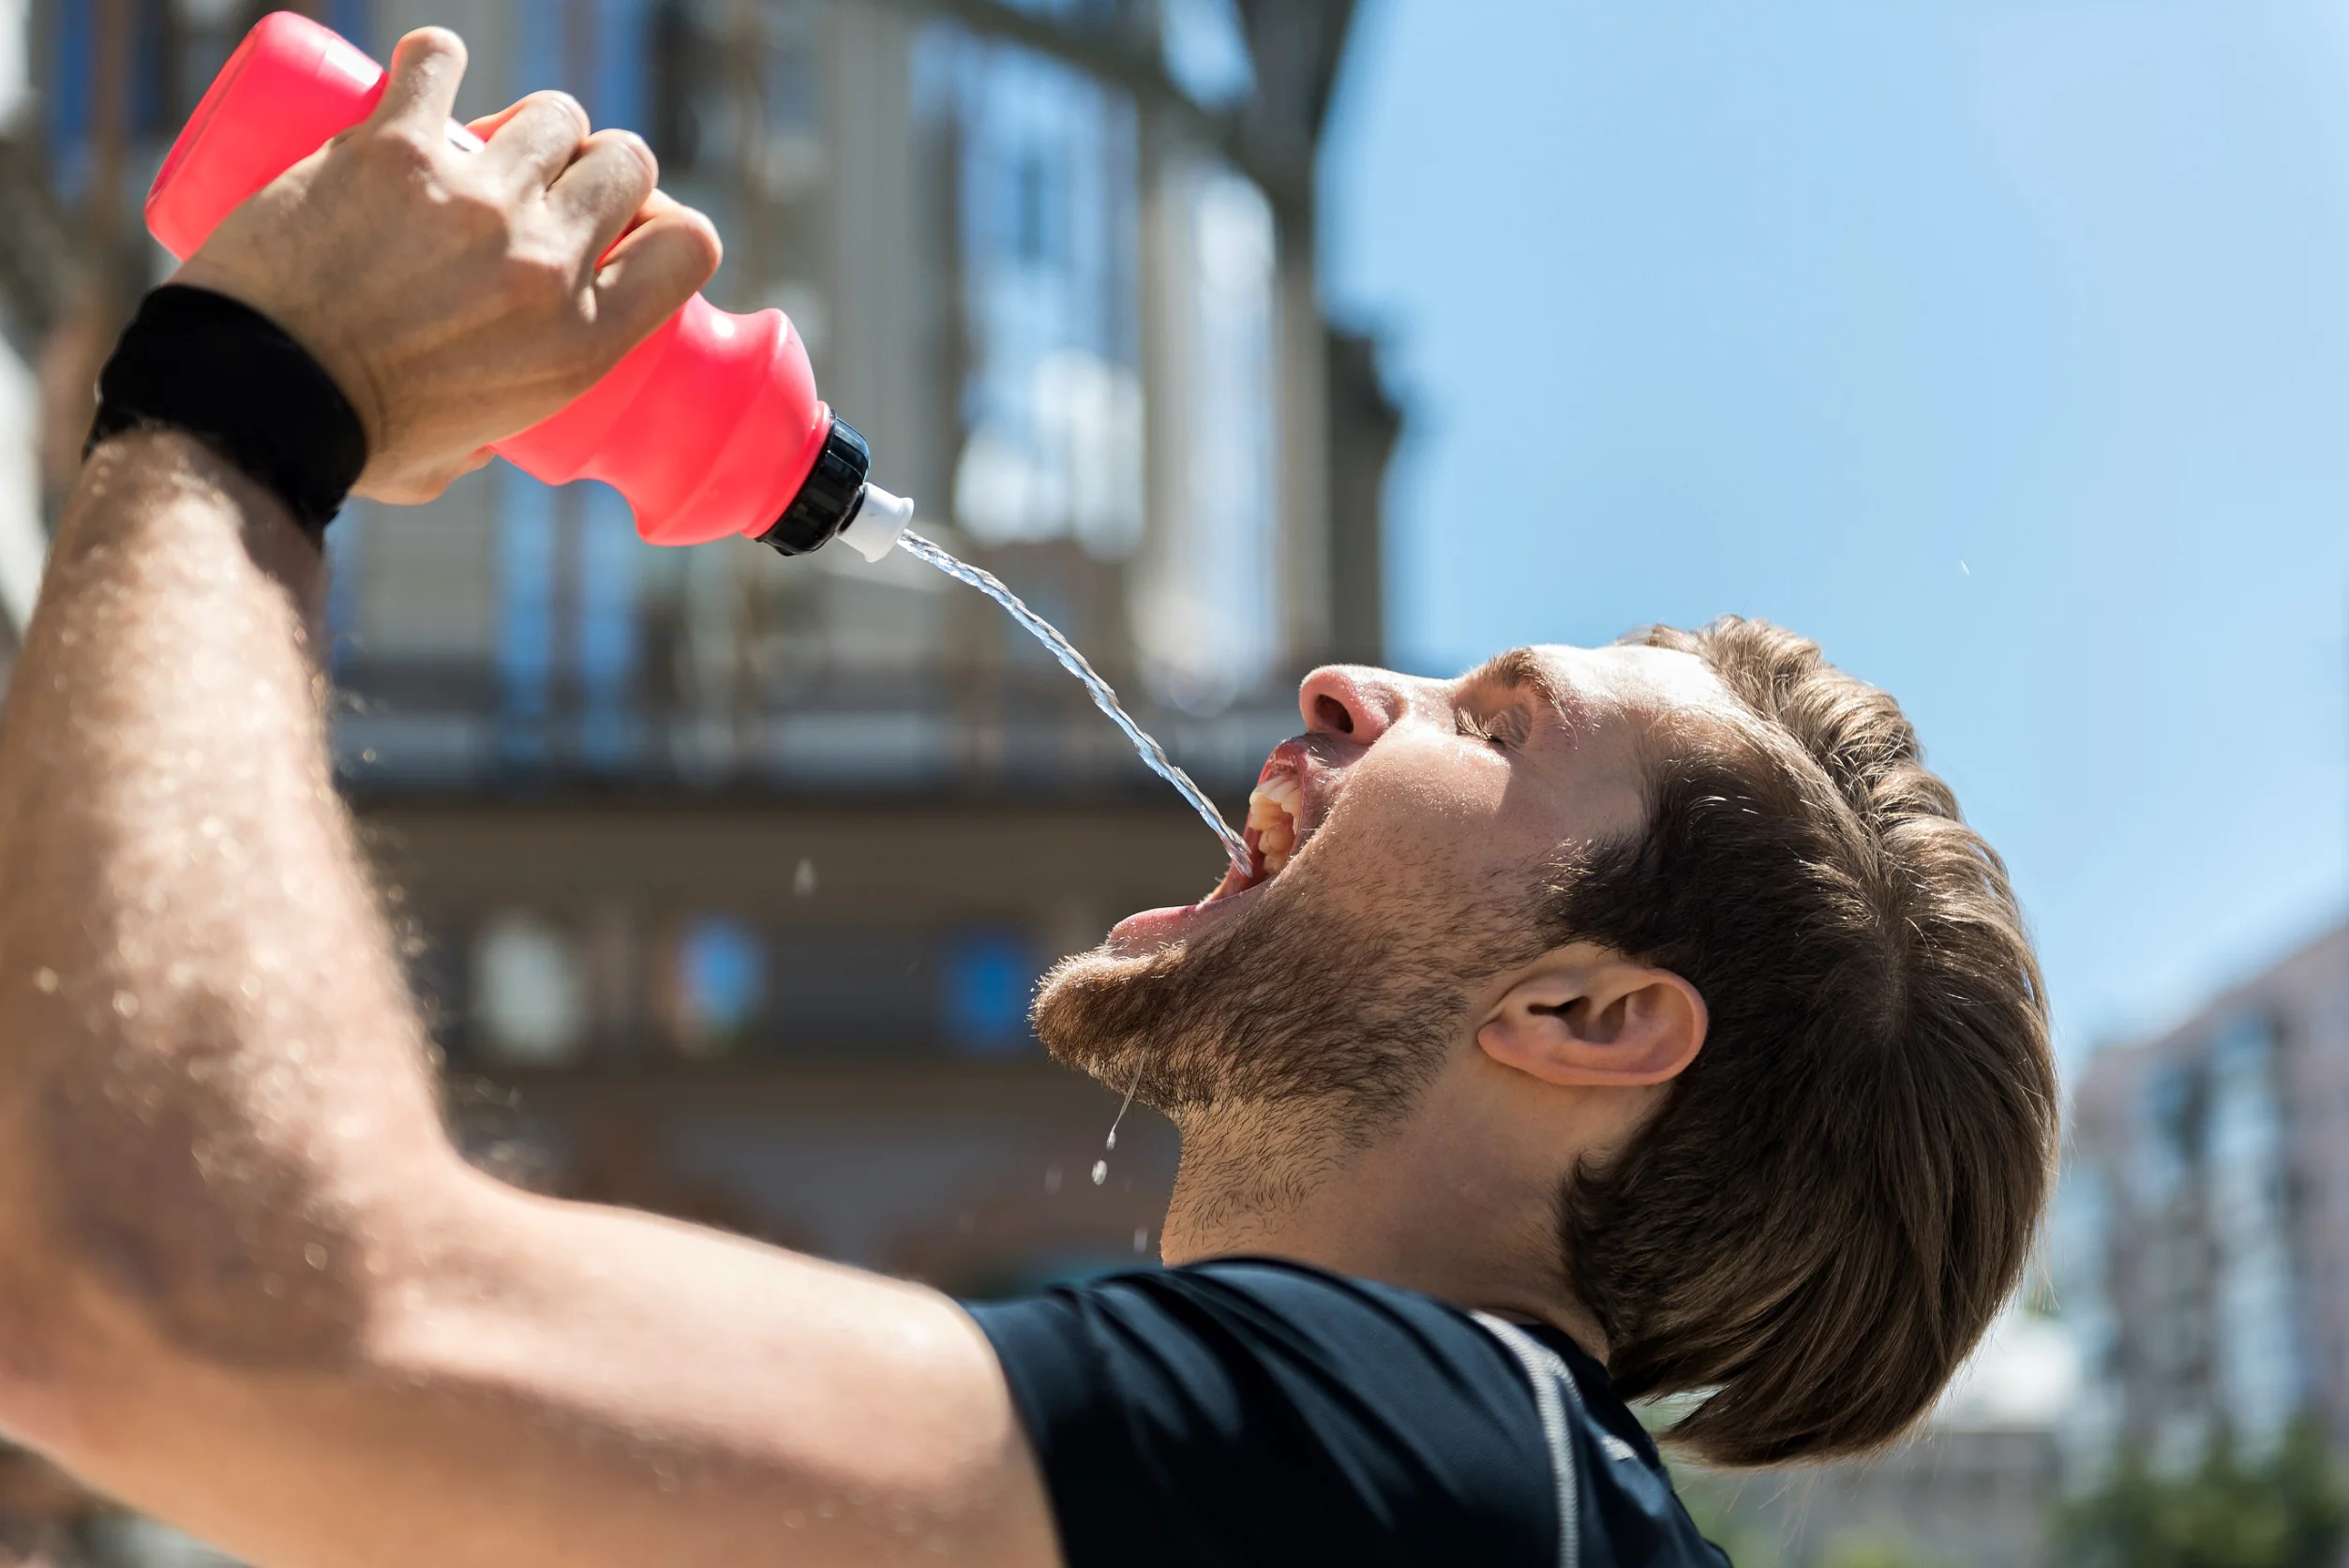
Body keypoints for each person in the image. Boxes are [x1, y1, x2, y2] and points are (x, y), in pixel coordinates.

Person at [0, 28, 2057, 1568]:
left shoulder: (1406, 1441)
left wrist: (248, 397)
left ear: (1592, 1017)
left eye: (1492, 722)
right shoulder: (1414, 1486)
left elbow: (191, 1301)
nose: (1349, 678)